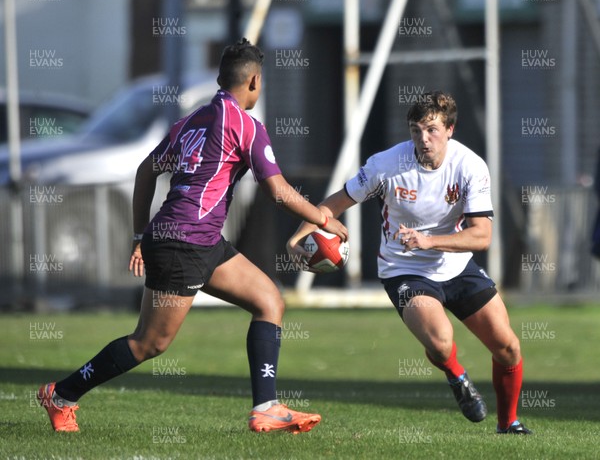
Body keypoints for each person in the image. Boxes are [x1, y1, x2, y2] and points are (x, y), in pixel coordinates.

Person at [38, 38, 348, 434]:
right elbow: (279, 191)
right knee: (148, 344)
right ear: (254, 81)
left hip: (196, 241)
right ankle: (61, 395)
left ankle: (267, 406)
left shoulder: (190, 122)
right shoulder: (246, 126)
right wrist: (322, 217)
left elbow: (146, 171)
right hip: (185, 243)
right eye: (261, 81)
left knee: (269, 300)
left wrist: (139, 236)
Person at [287, 91, 532, 434]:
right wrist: (297, 237)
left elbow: (482, 236)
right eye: (416, 130)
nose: (423, 139)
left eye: (432, 130)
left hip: (457, 265)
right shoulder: (385, 165)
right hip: (404, 269)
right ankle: (456, 375)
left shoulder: (470, 166)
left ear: (450, 129)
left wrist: (430, 241)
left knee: (507, 346)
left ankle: (509, 424)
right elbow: (332, 205)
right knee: (440, 340)